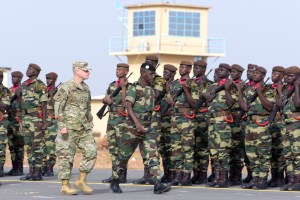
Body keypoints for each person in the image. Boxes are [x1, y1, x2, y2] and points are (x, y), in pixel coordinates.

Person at [110, 62, 171, 194]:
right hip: (132, 128)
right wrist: (137, 124)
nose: (153, 76)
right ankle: (115, 180)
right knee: (123, 157)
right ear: (143, 73)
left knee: (153, 155)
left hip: (147, 128)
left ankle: (157, 183)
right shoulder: (134, 87)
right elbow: (128, 106)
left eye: (154, 73)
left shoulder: (151, 89)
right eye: (151, 74)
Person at [54, 61, 97, 195]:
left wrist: (90, 124)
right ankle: (65, 185)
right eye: (85, 70)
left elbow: (88, 108)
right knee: (66, 156)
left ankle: (81, 180)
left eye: (88, 70)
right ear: (77, 71)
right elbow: (58, 108)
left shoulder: (86, 88)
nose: (88, 72)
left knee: (92, 151)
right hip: (69, 128)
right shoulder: (66, 87)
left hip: (83, 128)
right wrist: (62, 126)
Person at [240, 66, 275, 190]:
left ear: (263, 76)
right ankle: (255, 179)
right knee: (251, 154)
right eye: (253, 73)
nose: (254, 75)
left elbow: (270, 107)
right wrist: (239, 92)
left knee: (263, 154)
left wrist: (260, 93)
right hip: (250, 124)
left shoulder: (268, 89)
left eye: (257, 73)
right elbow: (243, 107)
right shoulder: (249, 89)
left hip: (261, 124)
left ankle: (262, 179)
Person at [202, 63, 236, 188]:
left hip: (222, 122)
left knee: (223, 152)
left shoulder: (232, 85)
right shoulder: (213, 85)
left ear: (228, 72)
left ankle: (223, 178)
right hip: (212, 122)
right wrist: (206, 96)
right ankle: (216, 176)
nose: (219, 71)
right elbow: (207, 100)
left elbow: (231, 103)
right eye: (218, 69)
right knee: (213, 152)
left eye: (222, 70)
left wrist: (226, 89)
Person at [165, 60, 197, 186]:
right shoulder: (174, 84)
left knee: (187, 148)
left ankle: (186, 176)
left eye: (184, 67)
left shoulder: (192, 83)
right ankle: (178, 175)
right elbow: (169, 100)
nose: (181, 69)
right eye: (180, 67)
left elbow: (194, 103)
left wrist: (186, 90)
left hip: (186, 119)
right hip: (174, 118)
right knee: (176, 149)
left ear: (189, 69)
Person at [18, 63, 48, 181]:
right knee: (28, 146)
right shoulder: (24, 84)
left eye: (30, 69)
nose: (27, 70)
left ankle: (38, 172)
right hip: (25, 119)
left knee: (37, 146)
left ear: (36, 72)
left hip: (36, 119)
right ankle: (31, 171)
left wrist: (44, 122)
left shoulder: (40, 85)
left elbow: (44, 104)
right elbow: (21, 102)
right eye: (27, 68)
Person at [102, 63, 129, 184]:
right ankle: (115, 175)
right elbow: (105, 98)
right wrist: (106, 99)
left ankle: (122, 175)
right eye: (117, 69)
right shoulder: (112, 85)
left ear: (126, 71)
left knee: (122, 149)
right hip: (111, 119)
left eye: (120, 70)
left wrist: (123, 88)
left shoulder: (130, 87)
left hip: (122, 120)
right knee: (113, 149)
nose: (117, 71)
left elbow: (125, 104)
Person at [278, 66, 300, 191]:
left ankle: (298, 181)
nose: (287, 78)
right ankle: (291, 180)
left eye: (290, 76)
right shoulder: (286, 89)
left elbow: (297, 104)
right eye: (286, 75)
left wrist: (297, 87)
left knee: (297, 155)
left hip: (296, 126)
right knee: (288, 154)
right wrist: (280, 92)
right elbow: (279, 104)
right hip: (285, 125)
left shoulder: (297, 88)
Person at [191, 60, 212, 185]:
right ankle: (196, 173)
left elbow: (210, 100)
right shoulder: (191, 83)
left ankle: (203, 174)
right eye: (195, 67)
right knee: (193, 147)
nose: (195, 69)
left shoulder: (209, 84)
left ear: (204, 69)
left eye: (198, 67)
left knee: (202, 148)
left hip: (203, 118)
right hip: (192, 118)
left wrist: (203, 87)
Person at [267, 66, 286, 187]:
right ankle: (274, 177)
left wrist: (279, 91)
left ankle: (280, 177)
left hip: (281, 125)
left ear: (282, 76)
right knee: (272, 152)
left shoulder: (286, 88)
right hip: (271, 124)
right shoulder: (268, 88)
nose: (273, 74)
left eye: (276, 73)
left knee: (280, 153)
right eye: (272, 72)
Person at [159, 64, 177, 183]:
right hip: (161, 121)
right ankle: (166, 173)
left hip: (171, 121)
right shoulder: (160, 86)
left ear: (173, 74)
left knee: (172, 149)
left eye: (168, 72)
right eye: (164, 71)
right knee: (163, 149)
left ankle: (173, 173)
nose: (165, 73)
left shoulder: (175, 86)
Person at [228, 64, 245, 186]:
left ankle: (237, 176)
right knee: (230, 149)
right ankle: (231, 174)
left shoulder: (242, 86)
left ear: (239, 73)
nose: (231, 74)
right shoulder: (229, 85)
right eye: (231, 71)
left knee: (238, 150)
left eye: (234, 72)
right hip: (229, 121)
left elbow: (241, 103)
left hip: (239, 121)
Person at [6, 71, 24, 176]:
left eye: (16, 77)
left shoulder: (22, 90)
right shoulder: (9, 90)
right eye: (12, 77)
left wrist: (19, 97)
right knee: (11, 145)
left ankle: (20, 167)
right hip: (10, 120)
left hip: (19, 121)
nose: (13, 79)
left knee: (19, 145)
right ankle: (14, 167)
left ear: (20, 79)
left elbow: (25, 105)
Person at [42, 72, 59, 177]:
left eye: (51, 79)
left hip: (52, 123)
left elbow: (56, 107)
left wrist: (52, 95)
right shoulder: (43, 90)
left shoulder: (58, 91)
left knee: (51, 147)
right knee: (42, 146)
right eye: (47, 79)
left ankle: (50, 167)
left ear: (55, 80)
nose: (48, 81)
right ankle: (44, 166)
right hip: (43, 121)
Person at [0, 70, 11, 177]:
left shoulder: (5, 91)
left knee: (1, 148)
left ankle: (0, 168)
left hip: (1, 124)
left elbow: (5, 106)